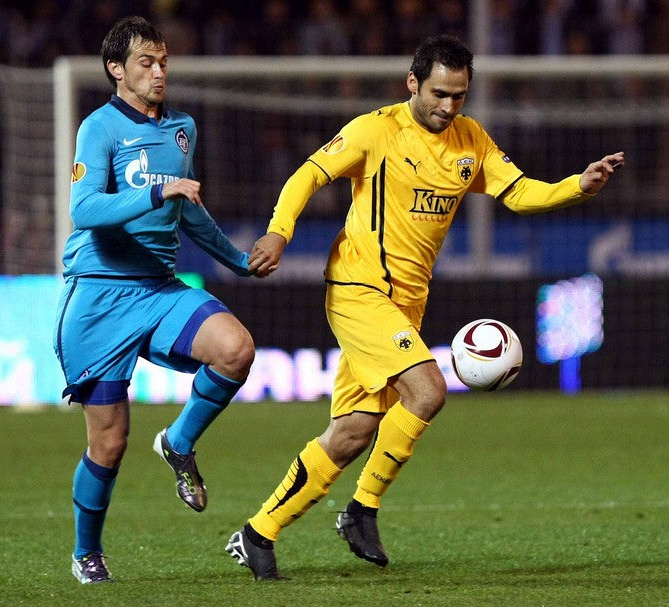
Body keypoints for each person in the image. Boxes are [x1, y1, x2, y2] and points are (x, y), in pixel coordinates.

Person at [226, 34, 625, 580]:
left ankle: (257, 533)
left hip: (407, 302)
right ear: (412, 83)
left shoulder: (470, 139)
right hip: (359, 288)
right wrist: (279, 232)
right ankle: (362, 510)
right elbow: (309, 174)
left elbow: (518, 192)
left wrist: (578, 185)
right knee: (429, 390)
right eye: (439, 93)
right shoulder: (376, 130)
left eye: (459, 95)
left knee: (352, 432)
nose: (448, 105)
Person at [53, 16, 271, 585]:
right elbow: (84, 210)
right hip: (99, 298)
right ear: (116, 69)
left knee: (236, 349)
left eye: (163, 61)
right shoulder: (99, 128)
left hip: (157, 288)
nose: (158, 72)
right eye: (145, 62)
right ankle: (86, 553)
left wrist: (237, 261)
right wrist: (156, 189)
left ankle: (178, 442)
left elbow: (188, 212)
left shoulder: (182, 129)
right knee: (109, 442)